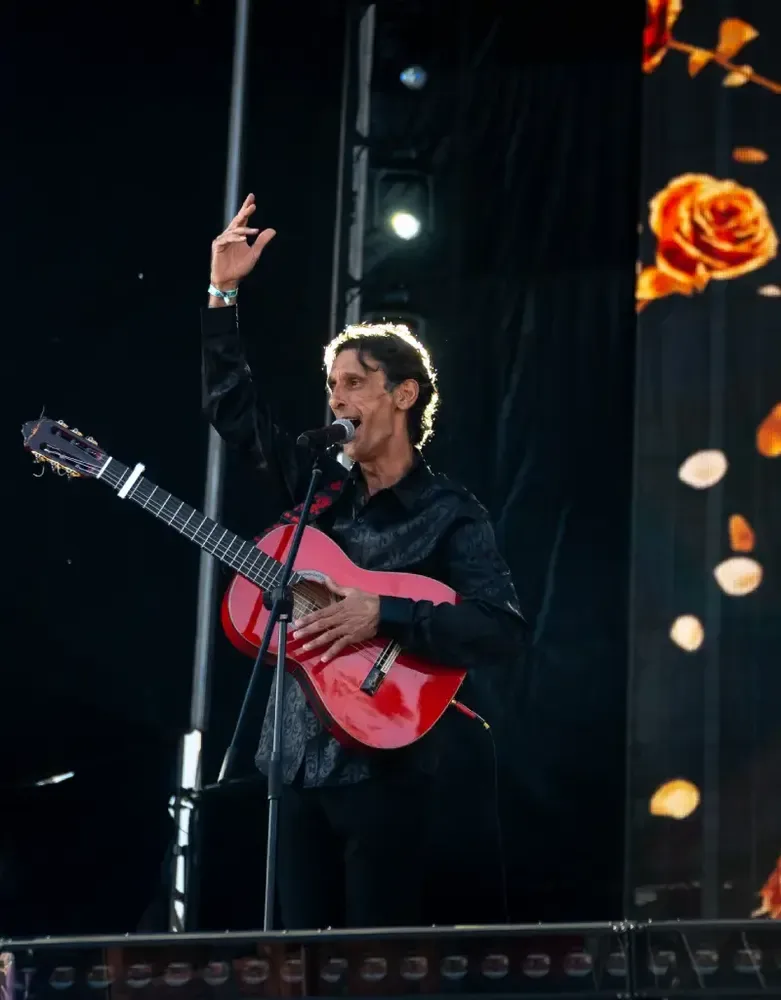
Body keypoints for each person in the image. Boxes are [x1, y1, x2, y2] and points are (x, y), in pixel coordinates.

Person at [202, 193, 527, 930]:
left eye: (353, 381)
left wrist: (383, 611)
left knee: (372, 967)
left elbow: (499, 627)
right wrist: (222, 295)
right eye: (331, 383)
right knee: (298, 965)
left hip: (386, 767)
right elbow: (232, 410)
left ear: (402, 394)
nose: (336, 395)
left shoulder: (450, 513)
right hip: (292, 767)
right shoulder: (317, 488)